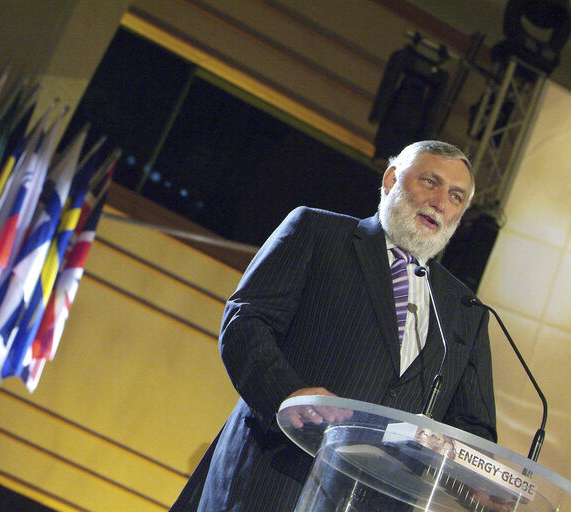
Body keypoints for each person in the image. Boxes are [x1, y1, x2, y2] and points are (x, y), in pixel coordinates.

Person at [170, 140, 497, 511]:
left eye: (456, 197)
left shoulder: (465, 309)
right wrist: (288, 395)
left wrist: (475, 480)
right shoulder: (317, 232)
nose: (440, 202)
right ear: (391, 180)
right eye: (430, 182)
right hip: (272, 478)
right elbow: (246, 323)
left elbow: (473, 426)